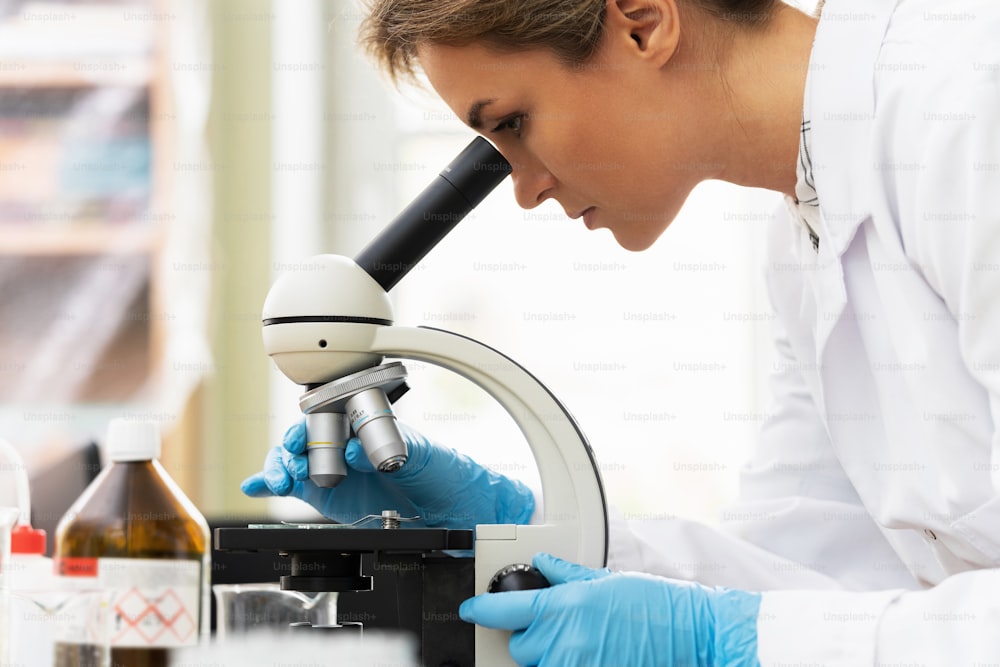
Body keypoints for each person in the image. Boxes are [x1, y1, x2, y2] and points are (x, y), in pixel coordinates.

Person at [241, 0, 1000, 663]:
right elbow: (802, 576)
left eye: (513, 123)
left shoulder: (968, 109)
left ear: (642, 24)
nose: (527, 189)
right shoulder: (805, 235)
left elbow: (757, 632)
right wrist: (525, 527)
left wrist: (713, 642)